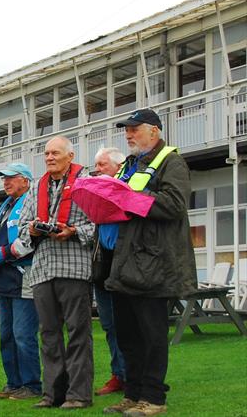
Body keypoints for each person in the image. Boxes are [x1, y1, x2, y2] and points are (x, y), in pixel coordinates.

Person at [103, 109, 197, 417]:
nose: (128, 135)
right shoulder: (129, 165)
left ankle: (154, 398)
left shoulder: (172, 162)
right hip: (124, 262)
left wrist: (130, 197)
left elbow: (174, 204)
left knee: (152, 336)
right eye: (126, 130)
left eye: (134, 129)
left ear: (154, 131)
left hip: (155, 264)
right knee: (128, 335)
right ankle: (133, 395)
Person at [17, 136, 96, 410]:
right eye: (46, 153)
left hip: (74, 266)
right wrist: (31, 229)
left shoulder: (86, 182)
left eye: (55, 153)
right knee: (48, 333)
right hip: (42, 269)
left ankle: (78, 395)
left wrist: (73, 232)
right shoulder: (36, 187)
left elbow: (97, 222)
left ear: (70, 156)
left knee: (78, 332)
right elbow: (22, 225)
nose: (49, 157)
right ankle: (52, 394)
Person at [0, 163, 42, 401]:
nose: (6, 182)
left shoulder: (33, 201)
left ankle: (32, 385)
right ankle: (13, 382)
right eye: (3, 179)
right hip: (3, 278)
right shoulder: (6, 205)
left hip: (23, 275)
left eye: (11, 178)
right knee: (5, 333)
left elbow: (29, 238)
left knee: (23, 333)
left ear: (26, 181)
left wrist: (2, 254)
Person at [92, 147, 127, 397]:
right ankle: (118, 374)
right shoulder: (96, 199)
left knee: (127, 325)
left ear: (118, 166)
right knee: (109, 325)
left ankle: (132, 374)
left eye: (103, 165)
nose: (98, 169)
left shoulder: (127, 191)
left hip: (124, 266)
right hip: (102, 267)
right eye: (97, 165)